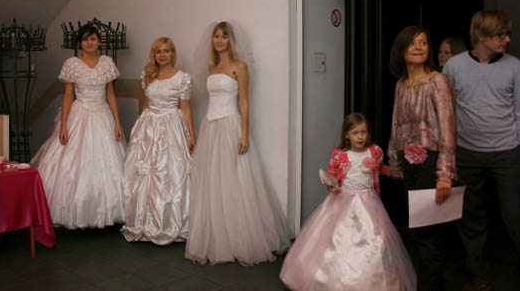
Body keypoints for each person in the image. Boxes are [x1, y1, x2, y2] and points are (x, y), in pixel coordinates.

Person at [185, 21, 290, 266]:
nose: (219, 40)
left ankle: (240, 239)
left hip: (230, 125)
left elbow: (244, 101)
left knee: (235, 180)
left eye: (224, 36)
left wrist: (244, 133)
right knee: (213, 181)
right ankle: (218, 239)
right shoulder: (211, 68)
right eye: (216, 36)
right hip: (210, 127)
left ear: (231, 40)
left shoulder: (240, 66)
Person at [280, 113, 416, 291]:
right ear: (346, 134)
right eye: (355, 133)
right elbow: (331, 175)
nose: (360, 137)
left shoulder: (375, 151)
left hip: (368, 201)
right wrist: (332, 188)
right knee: (337, 238)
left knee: (375, 238)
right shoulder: (340, 154)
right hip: (344, 200)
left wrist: (394, 172)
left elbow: (378, 169)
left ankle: (374, 280)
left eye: (363, 132)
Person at [443, 10, 520, 291]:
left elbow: (519, 109)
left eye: (507, 34)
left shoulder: (515, 66)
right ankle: (479, 276)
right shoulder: (454, 66)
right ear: (481, 36)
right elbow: (445, 110)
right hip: (467, 152)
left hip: (507, 151)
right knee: (470, 216)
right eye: (500, 35)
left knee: (514, 212)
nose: (507, 39)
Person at [30, 24, 126, 229]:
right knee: (72, 163)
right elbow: (68, 95)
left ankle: (107, 210)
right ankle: (73, 211)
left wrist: (117, 122)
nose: (89, 43)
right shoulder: (72, 63)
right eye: (85, 39)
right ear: (80, 43)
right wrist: (63, 126)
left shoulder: (107, 62)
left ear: (98, 41)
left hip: (102, 114)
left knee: (108, 164)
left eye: (93, 39)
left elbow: (110, 93)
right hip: (79, 113)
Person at [387, 26, 456, 291]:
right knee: (418, 232)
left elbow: (448, 129)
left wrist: (445, 174)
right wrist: (395, 161)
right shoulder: (401, 84)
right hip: (409, 163)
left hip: (432, 162)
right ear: (401, 50)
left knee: (429, 234)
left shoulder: (438, 81)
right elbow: (396, 125)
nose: (419, 47)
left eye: (424, 43)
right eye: (413, 43)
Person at [121, 37, 196, 245]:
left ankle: (170, 222)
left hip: (171, 126)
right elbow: (146, 104)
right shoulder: (149, 75)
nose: (162, 55)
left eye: (166, 51)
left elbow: (185, 108)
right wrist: (139, 130)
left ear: (173, 54)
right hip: (148, 126)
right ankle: (145, 221)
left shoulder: (182, 78)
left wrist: (191, 134)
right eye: (158, 51)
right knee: (145, 174)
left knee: (170, 173)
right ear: (154, 55)